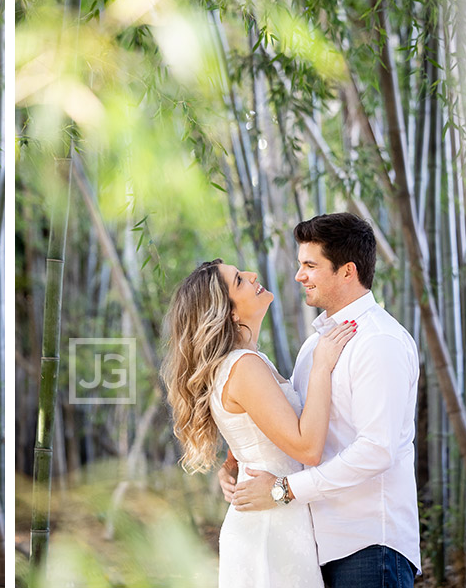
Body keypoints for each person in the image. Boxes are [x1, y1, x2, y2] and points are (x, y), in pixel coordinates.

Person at [225, 212, 421, 587]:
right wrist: (236, 461)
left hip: (368, 544)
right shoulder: (316, 345)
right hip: (316, 546)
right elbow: (295, 425)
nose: (300, 275)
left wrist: (284, 490)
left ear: (348, 271)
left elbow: (377, 449)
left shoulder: (379, 341)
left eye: (310, 265)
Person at [163, 256, 356, 587]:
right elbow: (307, 449)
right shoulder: (244, 366)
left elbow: (251, 432)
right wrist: (322, 366)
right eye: (239, 280)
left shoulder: (245, 363)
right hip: (271, 526)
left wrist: (231, 463)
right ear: (230, 313)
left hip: (274, 516)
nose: (252, 275)